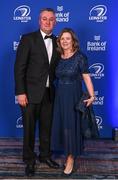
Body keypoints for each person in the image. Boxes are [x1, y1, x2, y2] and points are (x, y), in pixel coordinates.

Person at [14, 8, 60, 177]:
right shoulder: (28, 39)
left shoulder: (57, 42)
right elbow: (19, 68)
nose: (47, 22)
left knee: (47, 128)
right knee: (29, 130)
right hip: (29, 94)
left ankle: (45, 156)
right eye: (44, 19)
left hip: (49, 93)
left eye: (51, 19)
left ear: (55, 22)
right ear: (39, 21)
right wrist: (20, 92)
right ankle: (29, 160)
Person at [51, 28, 97, 176]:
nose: (65, 41)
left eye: (68, 38)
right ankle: (67, 153)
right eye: (62, 39)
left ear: (73, 41)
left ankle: (70, 158)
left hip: (73, 96)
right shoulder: (58, 57)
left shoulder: (80, 57)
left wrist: (92, 95)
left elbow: (86, 77)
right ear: (59, 42)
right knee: (63, 125)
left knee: (71, 126)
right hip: (60, 96)